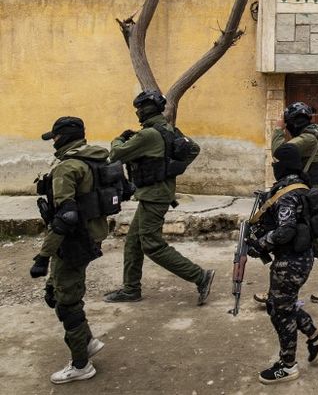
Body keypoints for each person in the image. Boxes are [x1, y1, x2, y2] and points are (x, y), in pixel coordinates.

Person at [104, 91, 214, 304]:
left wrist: (118, 139)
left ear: (147, 109)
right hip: (155, 194)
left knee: (152, 245)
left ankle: (200, 276)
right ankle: (131, 289)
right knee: (133, 242)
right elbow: (193, 148)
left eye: (139, 108)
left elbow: (116, 154)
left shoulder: (149, 135)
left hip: (154, 196)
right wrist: (171, 168)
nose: (138, 112)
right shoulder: (168, 130)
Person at [32, 117, 110, 384]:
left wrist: (43, 256)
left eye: (54, 137)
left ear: (64, 137)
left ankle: (80, 365)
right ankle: (87, 342)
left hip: (73, 241)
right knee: (62, 292)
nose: (53, 142)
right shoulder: (94, 159)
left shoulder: (67, 168)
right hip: (92, 236)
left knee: (66, 302)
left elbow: (65, 218)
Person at [248, 144, 318, 384]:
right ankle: (316, 337)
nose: (274, 166)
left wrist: (261, 244)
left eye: (276, 162)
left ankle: (287, 366)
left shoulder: (287, 192)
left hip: (291, 262)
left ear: (283, 164)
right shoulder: (300, 186)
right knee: (280, 305)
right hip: (299, 258)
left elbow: (286, 229)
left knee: (279, 312)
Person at [265, 102, 318, 304]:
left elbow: (280, 152)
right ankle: (279, 290)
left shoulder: (308, 138)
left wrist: (277, 129)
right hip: (314, 195)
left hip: (314, 198)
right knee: (304, 237)